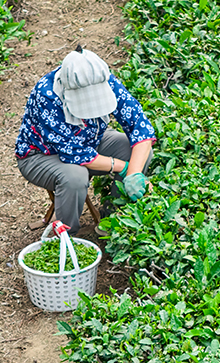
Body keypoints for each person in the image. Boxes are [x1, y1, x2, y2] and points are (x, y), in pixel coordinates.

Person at [16, 46, 156, 234]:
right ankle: (67, 238)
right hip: (42, 154)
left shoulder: (104, 79)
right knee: (74, 177)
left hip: (90, 140)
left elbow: (140, 127)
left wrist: (134, 173)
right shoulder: (47, 94)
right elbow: (75, 153)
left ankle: (112, 219)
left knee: (139, 154)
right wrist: (123, 168)